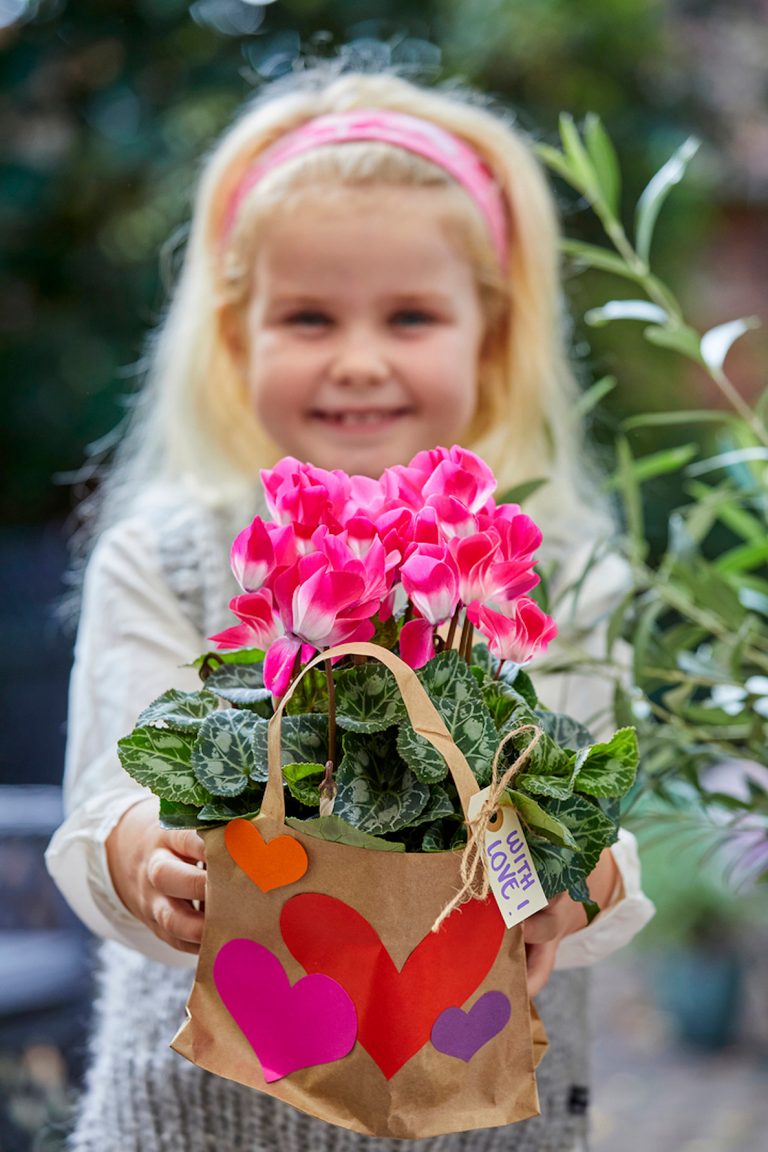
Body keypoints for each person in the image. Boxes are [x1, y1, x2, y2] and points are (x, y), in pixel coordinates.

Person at [46, 65, 654, 1152]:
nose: (360, 362)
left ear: (493, 331)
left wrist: (580, 882)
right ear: (235, 336)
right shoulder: (174, 556)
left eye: (412, 315)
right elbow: (107, 792)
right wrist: (143, 851)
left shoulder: (560, 565)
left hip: (483, 1117)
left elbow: (590, 817)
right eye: (309, 317)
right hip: (195, 1120)